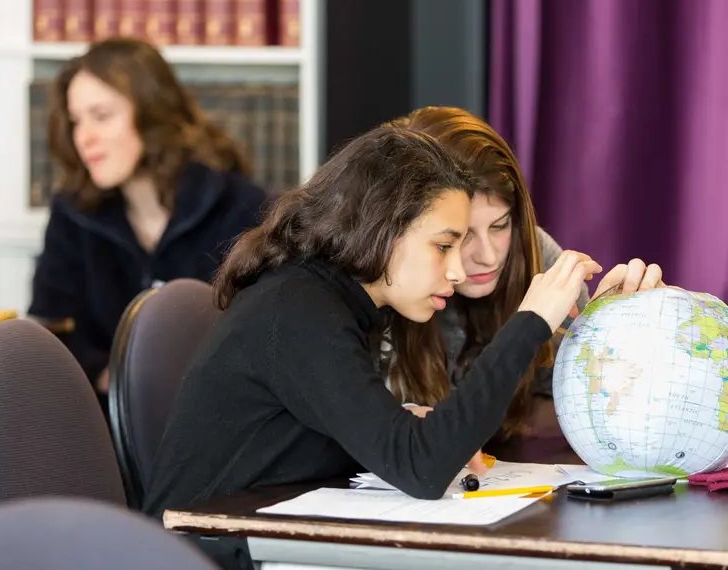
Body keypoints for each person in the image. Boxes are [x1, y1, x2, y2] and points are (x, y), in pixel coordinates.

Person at [143, 124, 654, 528]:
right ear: (382, 230)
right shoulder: (298, 310)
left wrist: (395, 423)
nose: (458, 269)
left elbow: (296, 443)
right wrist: (529, 322)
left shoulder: (329, 300)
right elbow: (421, 469)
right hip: (205, 550)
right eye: (443, 245)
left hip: (261, 533)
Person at [378, 106, 665, 446]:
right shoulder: (375, 280)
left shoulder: (537, 255)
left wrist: (622, 337)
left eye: (500, 226)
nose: (487, 257)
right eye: (459, 237)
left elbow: (561, 409)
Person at [27, 37, 268, 409]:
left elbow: (260, 341)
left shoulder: (241, 207)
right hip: (104, 422)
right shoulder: (72, 214)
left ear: (152, 113)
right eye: (76, 121)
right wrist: (107, 376)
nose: (83, 137)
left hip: (216, 422)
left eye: (102, 116)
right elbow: (51, 327)